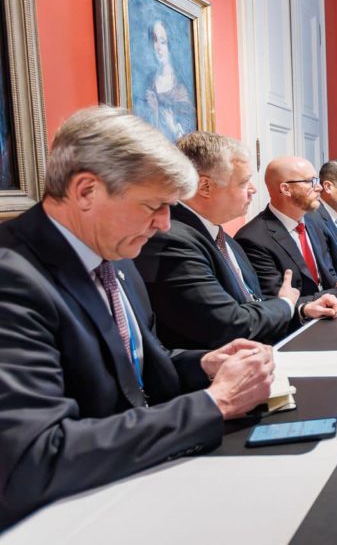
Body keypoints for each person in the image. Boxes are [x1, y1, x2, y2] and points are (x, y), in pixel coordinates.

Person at [0, 107, 274, 528]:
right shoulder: (13, 278)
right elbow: (34, 456)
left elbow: (134, 370)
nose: (164, 225)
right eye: (153, 206)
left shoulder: (116, 255)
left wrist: (203, 364)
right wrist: (213, 403)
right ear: (86, 191)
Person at [135, 133, 337, 350]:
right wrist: (286, 305)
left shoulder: (225, 240)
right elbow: (228, 323)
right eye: (243, 182)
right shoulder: (172, 241)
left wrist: (301, 309)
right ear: (205, 187)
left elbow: (254, 304)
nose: (253, 189)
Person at [236, 156, 337, 301]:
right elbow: (277, 303)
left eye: (317, 180)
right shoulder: (253, 238)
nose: (319, 187)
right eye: (311, 181)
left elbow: (328, 275)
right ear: (286, 189)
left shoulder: (315, 220)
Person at [139, 19, 195, 142]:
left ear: (170, 45)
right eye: (155, 40)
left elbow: (187, 138)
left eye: (163, 42)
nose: (158, 47)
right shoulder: (148, 82)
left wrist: (173, 128)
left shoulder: (180, 87)